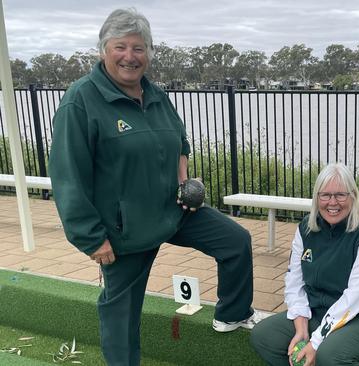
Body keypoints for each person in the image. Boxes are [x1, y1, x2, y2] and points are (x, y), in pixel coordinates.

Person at [48, 8, 261, 365]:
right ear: (104, 50)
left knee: (235, 241)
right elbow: (68, 176)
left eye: (139, 48)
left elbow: (180, 142)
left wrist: (184, 181)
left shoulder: (157, 95)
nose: (130, 56)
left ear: (148, 54)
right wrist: (91, 237)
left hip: (173, 211)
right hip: (124, 230)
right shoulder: (81, 101)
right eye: (121, 47)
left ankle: (232, 314)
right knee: (121, 314)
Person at [250, 163, 359, 366]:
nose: (332, 202)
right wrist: (301, 324)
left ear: (353, 196)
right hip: (320, 311)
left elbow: (354, 298)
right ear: (316, 198)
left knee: (329, 355)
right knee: (264, 335)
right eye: (325, 195)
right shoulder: (306, 227)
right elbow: (294, 281)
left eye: (341, 195)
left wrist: (315, 342)